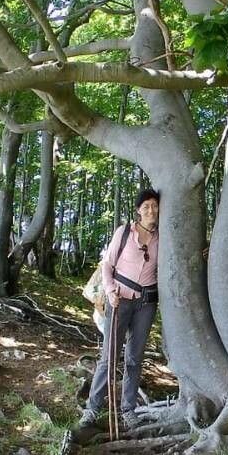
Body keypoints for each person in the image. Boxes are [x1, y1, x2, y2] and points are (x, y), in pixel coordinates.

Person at [76, 188, 160, 441]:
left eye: (154, 205)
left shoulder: (163, 237)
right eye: (145, 206)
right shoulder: (124, 232)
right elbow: (107, 266)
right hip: (120, 299)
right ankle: (92, 409)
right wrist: (111, 291)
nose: (150, 210)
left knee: (135, 358)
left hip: (146, 303)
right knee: (109, 357)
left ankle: (128, 410)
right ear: (138, 210)